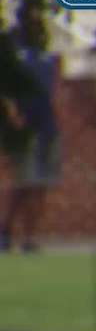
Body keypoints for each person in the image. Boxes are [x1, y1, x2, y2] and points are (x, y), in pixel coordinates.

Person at [0, 44, 61, 253]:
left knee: (40, 187)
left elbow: (50, 93)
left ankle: (29, 238)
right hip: (25, 134)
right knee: (24, 186)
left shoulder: (47, 61)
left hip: (48, 131)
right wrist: (13, 117)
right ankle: (5, 233)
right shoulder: (14, 60)